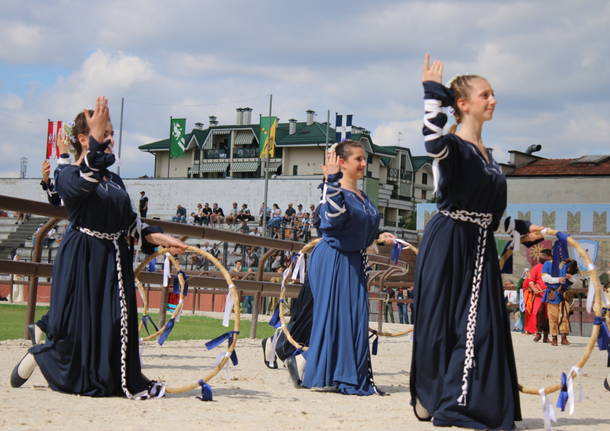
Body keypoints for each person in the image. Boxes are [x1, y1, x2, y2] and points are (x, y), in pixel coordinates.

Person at [10, 97, 187, 399]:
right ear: (83, 138)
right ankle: (42, 356)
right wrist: (94, 145)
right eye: (105, 133)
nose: (111, 139)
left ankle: (113, 379)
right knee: (77, 329)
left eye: (111, 133)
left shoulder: (115, 180)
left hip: (115, 257)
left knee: (116, 323)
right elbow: (82, 186)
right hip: (83, 257)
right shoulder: (68, 175)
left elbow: (132, 223)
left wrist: (161, 239)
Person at [410, 55, 544, 429]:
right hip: (450, 242)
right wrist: (431, 93)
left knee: (483, 325)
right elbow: (431, 140)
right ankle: (434, 395)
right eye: (486, 94)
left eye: (494, 94)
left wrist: (519, 227)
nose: (493, 100)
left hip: (480, 245)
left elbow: (486, 210)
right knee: (441, 324)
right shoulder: (452, 147)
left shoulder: (490, 157)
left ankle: (464, 400)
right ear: (464, 104)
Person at [286, 140, 396, 396]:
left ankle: (308, 361)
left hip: (353, 259)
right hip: (333, 257)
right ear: (342, 162)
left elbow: (358, 225)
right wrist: (332, 180)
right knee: (336, 317)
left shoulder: (362, 195)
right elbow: (332, 219)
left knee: (353, 318)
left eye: (364, 158)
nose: (363, 163)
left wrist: (379, 235)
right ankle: (320, 368)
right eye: (358, 158)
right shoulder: (333, 191)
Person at [542, 256, 578, 346]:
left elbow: (576, 279)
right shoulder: (548, 263)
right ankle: (554, 337)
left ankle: (563, 338)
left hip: (564, 294)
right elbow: (545, 277)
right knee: (553, 316)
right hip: (553, 293)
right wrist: (558, 279)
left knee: (565, 315)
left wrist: (570, 277)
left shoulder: (569, 264)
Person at [524, 249, 552, 341]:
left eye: (542, 255)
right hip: (539, 296)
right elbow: (531, 281)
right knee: (538, 313)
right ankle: (538, 333)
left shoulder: (554, 267)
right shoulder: (536, 267)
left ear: (548, 257)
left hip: (550, 295)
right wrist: (534, 288)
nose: (540, 257)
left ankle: (546, 336)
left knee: (548, 316)